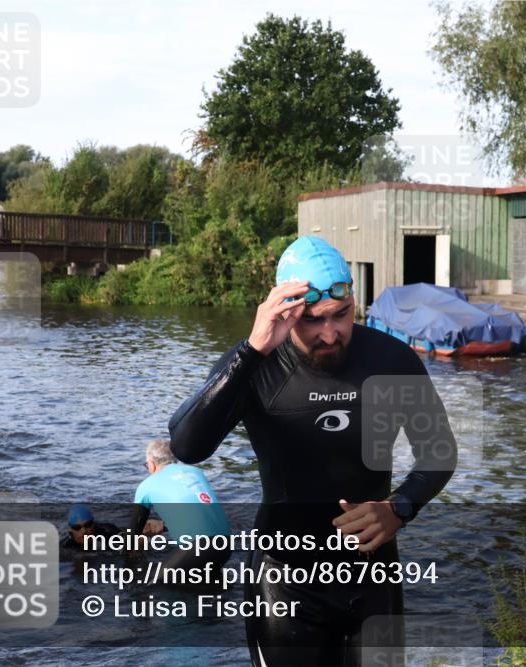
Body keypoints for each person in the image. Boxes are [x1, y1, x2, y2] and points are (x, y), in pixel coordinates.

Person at [169, 236, 457, 665]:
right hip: (285, 581)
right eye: (312, 320)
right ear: (284, 313)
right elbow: (187, 446)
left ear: (353, 301)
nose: (329, 333)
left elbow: (439, 452)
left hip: (372, 575)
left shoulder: (391, 361)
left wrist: (399, 508)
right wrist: (250, 351)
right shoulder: (257, 366)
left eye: (341, 315)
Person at [128, 439, 231, 581]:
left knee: (155, 585)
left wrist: (127, 560)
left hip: (198, 547)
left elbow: (132, 536)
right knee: (208, 584)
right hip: (226, 544)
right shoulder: (195, 472)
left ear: (151, 464)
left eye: (146, 465)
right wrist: (163, 526)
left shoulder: (146, 486)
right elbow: (197, 512)